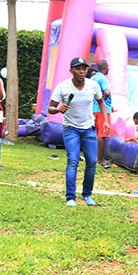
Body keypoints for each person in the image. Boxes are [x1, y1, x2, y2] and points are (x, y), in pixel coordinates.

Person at [48, 57, 109, 206]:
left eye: (84, 68)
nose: (82, 71)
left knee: (92, 162)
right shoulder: (62, 87)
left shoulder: (93, 85)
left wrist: (105, 120)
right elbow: (50, 107)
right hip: (71, 129)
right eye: (78, 68)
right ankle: (70, 197)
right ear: (71, 71)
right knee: (73, 160)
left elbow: (101, 102)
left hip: (88, 128)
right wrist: (57, 109)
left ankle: (87, 195)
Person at [90, 59, 112, 168]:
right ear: (105, 68)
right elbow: (107, 91)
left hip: (93, 110)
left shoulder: (92, 79)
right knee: (102, 136)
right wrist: (102, 100)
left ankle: (91, 157)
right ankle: (99, 160)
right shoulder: (103, 79)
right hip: (102, 111)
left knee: (93, 134)